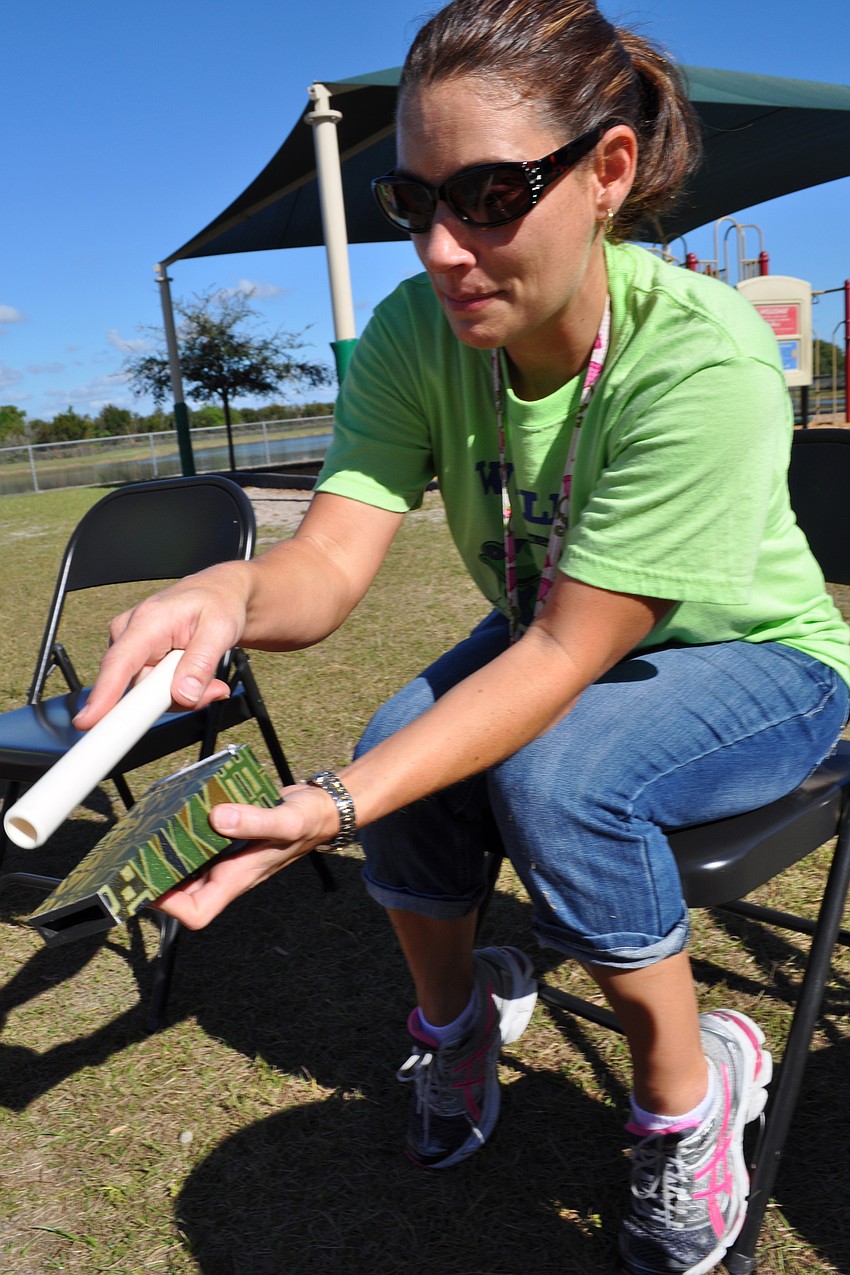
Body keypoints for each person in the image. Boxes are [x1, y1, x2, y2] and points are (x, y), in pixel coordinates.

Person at [77, 2, 850, 1270]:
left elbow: (561, 661)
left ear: (607, 172)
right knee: (405, 746)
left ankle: (687, 1089)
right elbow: (325, 568)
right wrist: (226, 588)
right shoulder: (413, 336)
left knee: (559, 776)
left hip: (762, 662)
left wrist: (328, 806)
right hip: (558, 632)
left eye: (489, 195)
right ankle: (459, 1025)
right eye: (413, 201)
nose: (442, 249)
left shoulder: (699, 356)